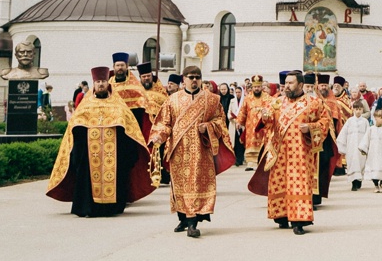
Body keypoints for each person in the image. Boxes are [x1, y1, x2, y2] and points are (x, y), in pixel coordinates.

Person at [47, 66, 154, 217]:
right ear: (94, 85)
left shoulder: (118, 105)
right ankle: (87, 208)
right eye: (98, 82)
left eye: (103, 81)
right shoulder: (85, 105)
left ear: (108, 83)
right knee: (87, 178)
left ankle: (111, 208)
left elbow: (130, 129)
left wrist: (125, 152)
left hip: (114, 154)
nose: (101, 84)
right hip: (89, 156)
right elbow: (75, 130)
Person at [148, 65, 235, 238]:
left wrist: (209, 127)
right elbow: (165, 123)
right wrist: (158, 136)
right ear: (184, 80)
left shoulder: (211, 100)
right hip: (179, 150)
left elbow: (220, 121)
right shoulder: (172, 100)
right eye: (191, 77)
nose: (194, 80)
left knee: (196, 184)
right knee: (179, 185)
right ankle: (183, 217)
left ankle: (193, 222)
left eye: (197, 77)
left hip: (201, 151)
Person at [248, 70, 327, 235]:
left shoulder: (313, 103)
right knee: (280, 181)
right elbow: (267, 123)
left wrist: (311, 128)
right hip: (279, 151)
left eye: (291, 83)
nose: (286, 86)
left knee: (298, 183)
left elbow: (325, 122)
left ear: (300, 84)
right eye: (285, 83)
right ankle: (282, 216)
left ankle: (299, 220)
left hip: (301, 152)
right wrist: (264, 117)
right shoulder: (277, 102)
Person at [307, 73, 340, 204]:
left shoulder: (322, 103)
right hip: (304, 141)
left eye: (311, 86)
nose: (309, 89)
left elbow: (329, 121)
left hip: (321, 140)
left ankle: (316, 196)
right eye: (307, 86)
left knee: (320, 169)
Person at [107, 52, 151, 140]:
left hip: (132, 128)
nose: (120, 68)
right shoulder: (109, 85)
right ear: (114, 67)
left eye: (122, 65)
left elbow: (143, 107)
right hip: (112, 126)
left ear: (127, 66)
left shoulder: (135, 85)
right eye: (118, 65)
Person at [235, 75, 273, 170]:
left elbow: (272, 109)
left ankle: (260, 162)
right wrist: (239, 121)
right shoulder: (248, 98)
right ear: (252, 87)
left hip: (262, 125)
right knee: (251, 144)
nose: (256, 89)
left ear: (261, 87)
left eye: (258, 87)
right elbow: (243, 111)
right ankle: (251, 163)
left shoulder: (268, 98)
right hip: (250, 126)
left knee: (262, 143)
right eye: (255, 87)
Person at [337, 100, 369, 190]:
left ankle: (359, 181)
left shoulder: (365, 122)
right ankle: (353, 183)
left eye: (360, 109)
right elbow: (343, 134)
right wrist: (342, 145)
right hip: (351, 146)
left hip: (361, 147)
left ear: (362, 110)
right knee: (352, 164)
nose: (358, 111)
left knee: (361, 163)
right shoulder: (350, 121)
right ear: (353, 110)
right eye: (356, 109)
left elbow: (368, 135)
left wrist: (367, 146)